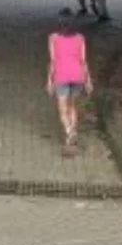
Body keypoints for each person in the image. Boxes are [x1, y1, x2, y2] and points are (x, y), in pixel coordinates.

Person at [46, 12, 93, 155]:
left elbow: (53, 61)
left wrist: (49, 80)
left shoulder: (53, 38)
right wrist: (88, 80)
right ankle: (72, 133)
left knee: (62, 109)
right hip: (78, 75)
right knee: (72, 106)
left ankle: (69, 133)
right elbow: (83, 61)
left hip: (61, 76)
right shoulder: (80, 38)